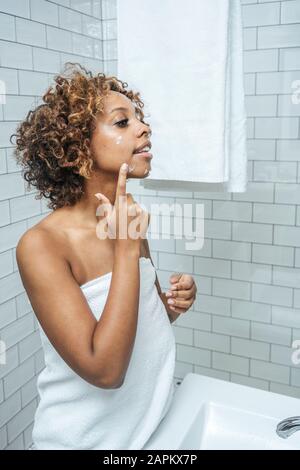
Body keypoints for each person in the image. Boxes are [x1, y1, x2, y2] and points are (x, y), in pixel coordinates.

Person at [11, 63, 193, 450]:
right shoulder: (42, 246)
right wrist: (127, 248)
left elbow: (136, 317)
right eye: (123, 122)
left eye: (140, 119)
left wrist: (170, 305)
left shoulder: (128, 217)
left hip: (149, 431)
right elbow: (106, 370)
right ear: (77, 150)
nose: (144, 127)